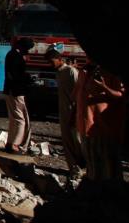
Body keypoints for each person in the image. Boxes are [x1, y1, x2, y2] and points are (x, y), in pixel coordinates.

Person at [72, 59, 126, 182]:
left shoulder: (111, 71)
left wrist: (104, 87)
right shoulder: (83, 71)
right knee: (91, 159)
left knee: (107, 161)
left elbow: (121, 95)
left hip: (102, 125)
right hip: (85, 123)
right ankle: (95, 184)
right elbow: (77, 95)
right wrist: (73, 116)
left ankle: (108, 188)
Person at [47, 46, 85, 178]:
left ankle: (85, 168)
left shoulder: (71, 72)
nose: (50, 65)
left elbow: (78, 95)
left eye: (52, 61)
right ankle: (75, 171)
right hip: (64, 112)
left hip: (74, 112)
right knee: (67, 142)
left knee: (78, 142)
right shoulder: (59, 73)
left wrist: (75, 113)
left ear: (59, 59)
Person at [3, 37, 34, 154]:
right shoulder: (16, 57)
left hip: (10, 91)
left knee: (13, 119)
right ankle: (16, 144)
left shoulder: (10, 55)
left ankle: (10, 142)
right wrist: (27, 79)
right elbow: (16, 75)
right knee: (21, 119)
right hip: (16, 91)